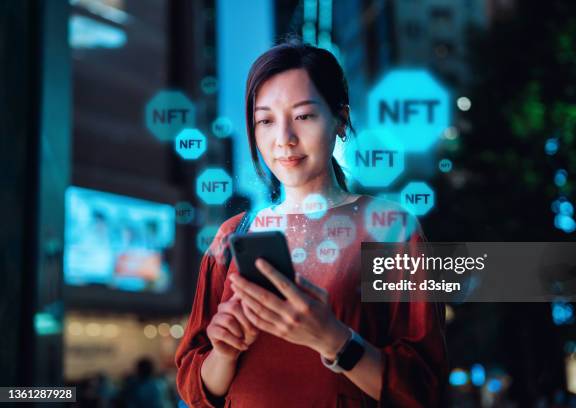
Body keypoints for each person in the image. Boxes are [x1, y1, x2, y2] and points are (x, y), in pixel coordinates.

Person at [175, 41, 447, 407]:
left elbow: (422, 388)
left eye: (303, 116)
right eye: (266, 120)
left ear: (340, 120)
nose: (283, 139)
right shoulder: (233, 236)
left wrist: (331, 338)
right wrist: (224, 351)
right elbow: (195, 389)